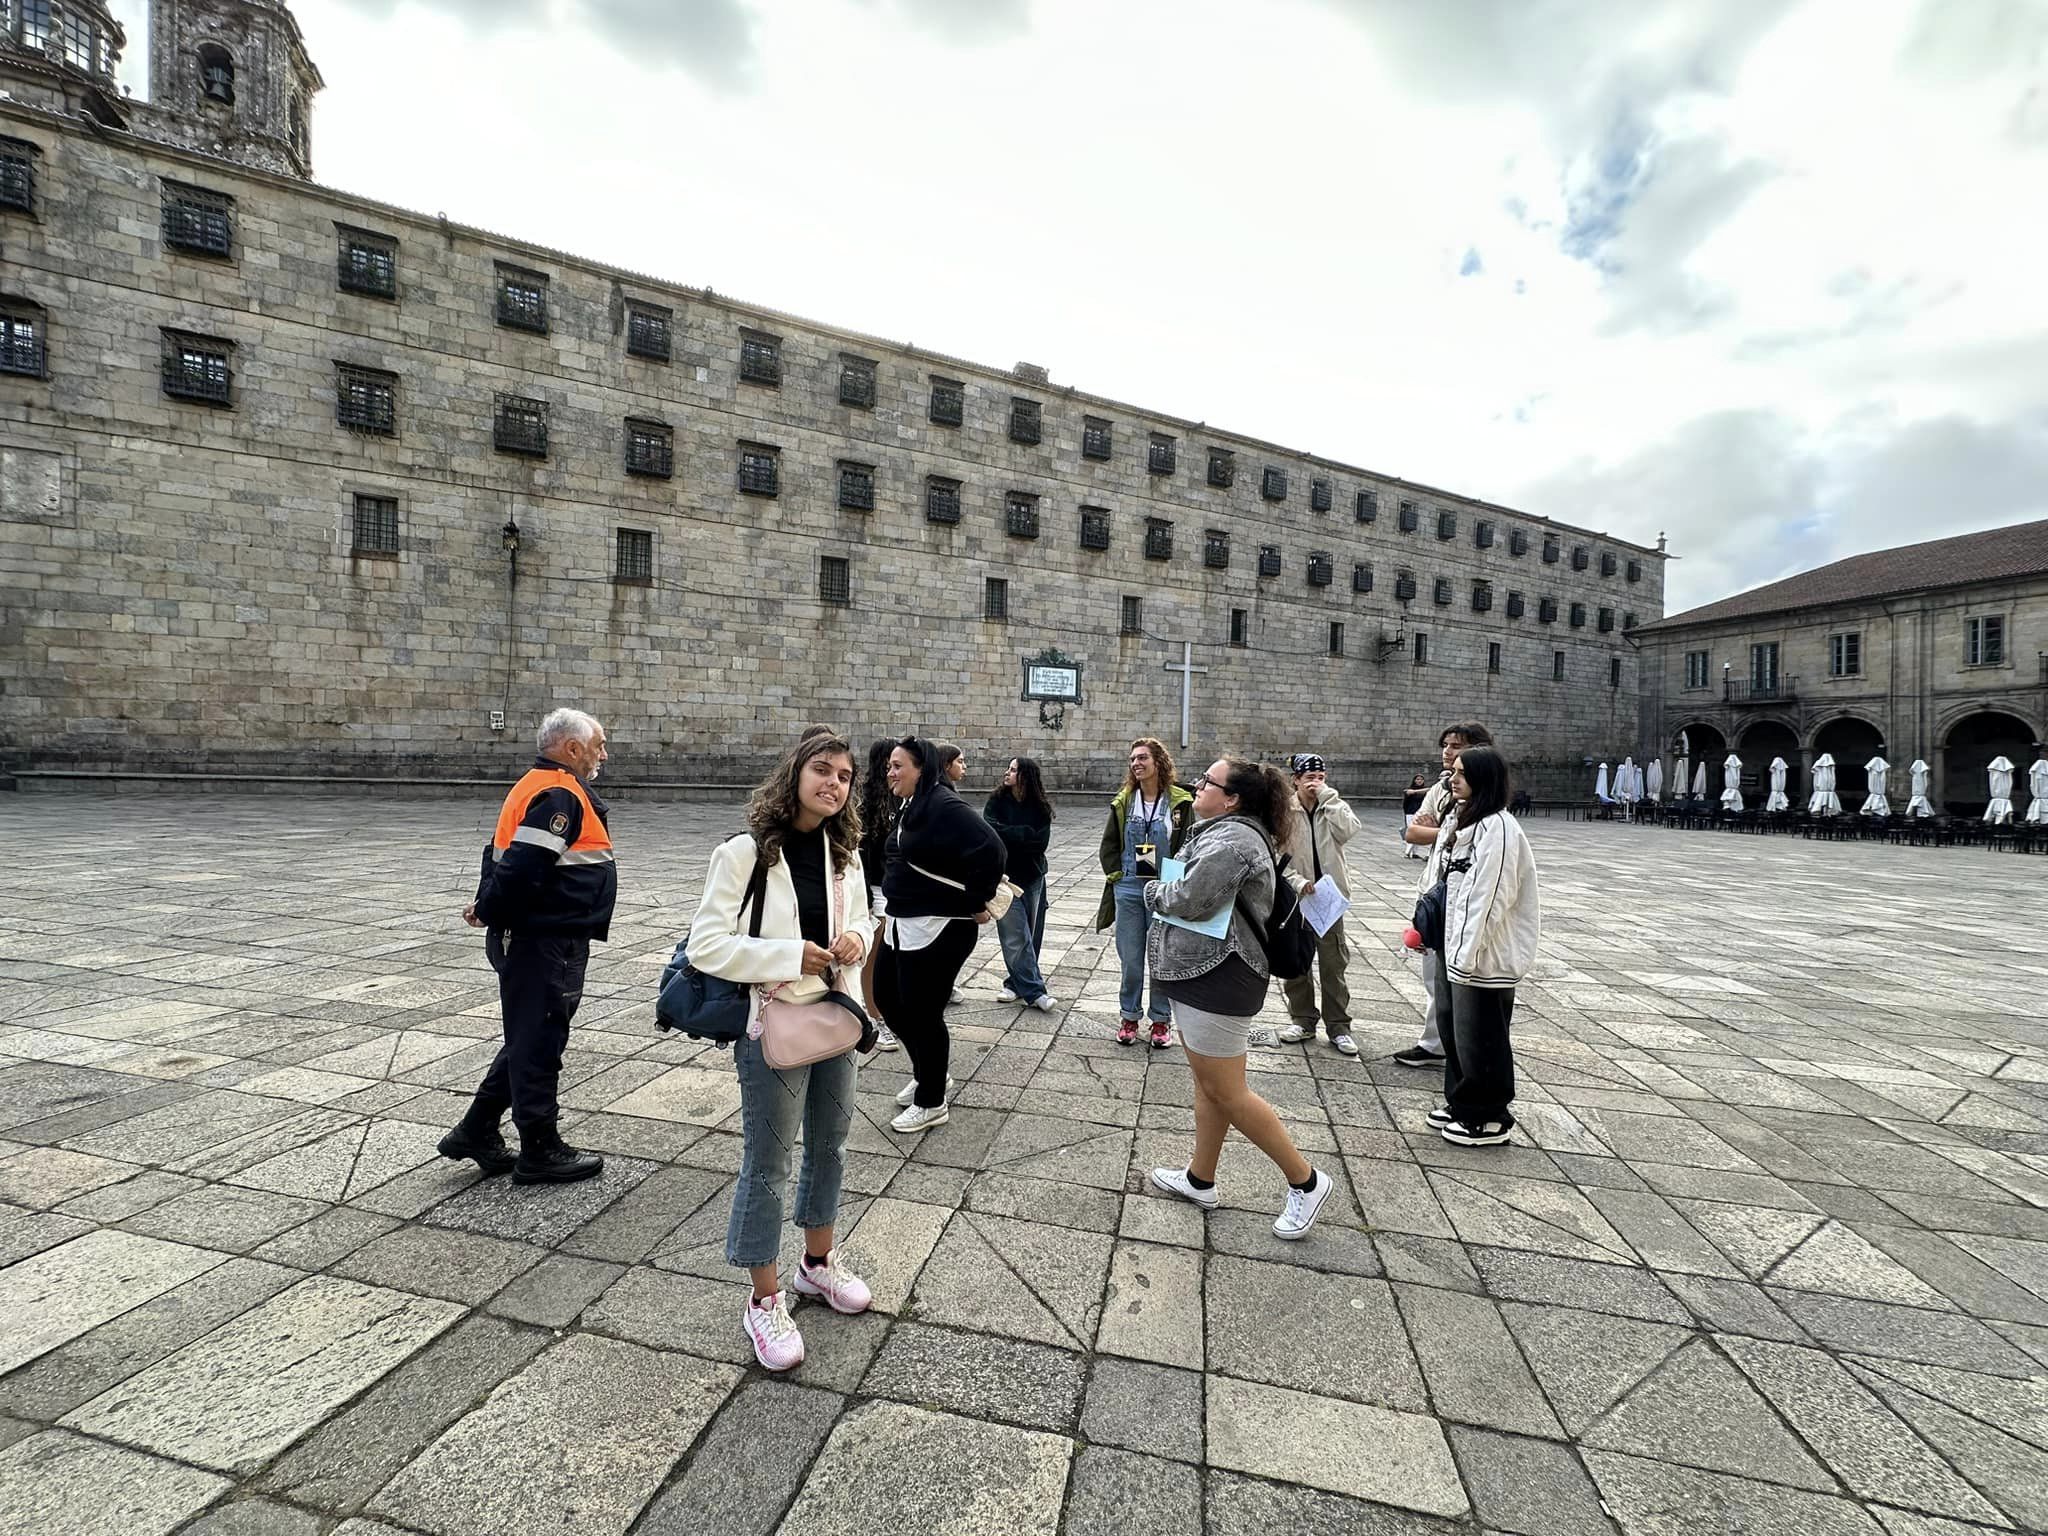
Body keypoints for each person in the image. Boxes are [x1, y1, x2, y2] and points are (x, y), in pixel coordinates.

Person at [689, 730, 875, 1371]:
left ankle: (817, 1264)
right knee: (768, 1162)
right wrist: (790, 955)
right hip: (772, 1021)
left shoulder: (845, 854)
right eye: (822, 770)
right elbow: (706, 945)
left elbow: (865, 916)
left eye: (845, 776)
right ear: (794, 773)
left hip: (835, 1018)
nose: (834, 784)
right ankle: (763, 1301)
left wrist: (856, 938)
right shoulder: (745, 853)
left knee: (831, 1145)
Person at [1145, 756, 1335, 1238]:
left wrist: (1153, 892)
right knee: (1210, 1086)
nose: (1197, 785)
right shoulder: (1224, 831)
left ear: (1231, 799)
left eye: (1207, 781)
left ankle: (1306, 1181)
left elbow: (1188, 897)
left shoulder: (1234, 841)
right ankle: (1200, 1179)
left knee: (1229, 1092)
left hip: (1219, 976)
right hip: (1204, 970)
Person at [440, 708, 613, 1185]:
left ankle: (476, 1129)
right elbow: (522, 866)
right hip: (542, 937)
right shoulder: (558, 793)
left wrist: (486, 904)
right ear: (572, 748)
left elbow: (498, 854)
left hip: (543, 934)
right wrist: (490, 907)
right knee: (539, 1042)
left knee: (530, 1036)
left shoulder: (539, 785)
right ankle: (540, 1147)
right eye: (598, 745)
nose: (603, 754)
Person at [876, 736, 1006, 1132]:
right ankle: (930, 1073)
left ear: (921, 769)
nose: (890, 773)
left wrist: (976, 899)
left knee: (923, 1012)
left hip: (939, 927)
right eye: (889, 766)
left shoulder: (943, 804)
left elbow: (992, 849)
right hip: (903, 920)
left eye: (898, 766)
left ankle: (931, 1101)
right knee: (887, 998)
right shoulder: (911, 804)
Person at [1419, 744, 1540, 1146]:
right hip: (1453, 944)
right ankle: (1461, 1101)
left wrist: (1467, 955)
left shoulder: (1499, 828)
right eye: (1453, 772)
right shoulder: (1464, 820)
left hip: (1482, 955)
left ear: (1483, 779)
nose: (1452, 779)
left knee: (1481, 1035)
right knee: (1454, 1029)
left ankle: (1488, 1116)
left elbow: (1491, 896)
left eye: (1461, 773)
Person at [1393, 722, 1494, 1070]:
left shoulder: (1486, 797)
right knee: (1432, 975)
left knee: (1460, 980)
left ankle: (1456, 1048)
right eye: (1446, 745)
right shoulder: (1440, 788)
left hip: (1462, 898)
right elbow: (1412, 832)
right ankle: (1436, 1043)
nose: (1447, 752)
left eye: (1456, 746)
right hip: (1433, 892)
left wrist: (1441, 830)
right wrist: (1448, 830)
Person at [1095, 737, 1193, 1047]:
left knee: (1162, 957)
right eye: (1133, 759)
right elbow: (1110, 843)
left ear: (1158, 762)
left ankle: (1161, 1021)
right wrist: (1115, 875)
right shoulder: (1125, 800)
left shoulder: (1180, 802)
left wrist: (1179, 885)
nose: (1136, 763)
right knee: (1131, 958)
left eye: (1142, 758)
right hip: (1128, 887)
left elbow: (1188, 846)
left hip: (1163, 889)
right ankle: (1129, 1017)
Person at [1277, 753, 1361, 1054]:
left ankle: (1338, 1026)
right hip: (1299, 897)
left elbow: (1349, 830)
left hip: (1330, 896)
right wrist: (1297, 882)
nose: (1315, 782)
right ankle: (1302, 1019)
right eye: (1309, 777)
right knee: (1297, 961)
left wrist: (1327, 796)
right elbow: (1277, 855)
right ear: (1296, 780)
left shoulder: (1332, 805)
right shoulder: (1285, 812)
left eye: (1321, 777)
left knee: (1333, 964)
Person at [986, 756, 1056, 1011]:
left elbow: (1040, 843)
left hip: (1033, 878)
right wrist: (1024, 833)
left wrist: (1009, 833)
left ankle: (1015, 983)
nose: (1007, 773)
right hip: (1004, 880)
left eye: (1013, 770)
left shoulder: (1040, 807)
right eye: (1008, 768)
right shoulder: (996, 801)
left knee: (1031, 935)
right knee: (1014, 935)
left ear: (1025, 776)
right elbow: (990, 831)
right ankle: (1036, 992)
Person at [856, 738, 900, 1051]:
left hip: (897, 888)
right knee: (874, 958)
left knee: (892, 958)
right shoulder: (868, 801)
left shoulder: (901, 799)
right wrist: (868, 897)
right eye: (893, 763)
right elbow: (863, 852)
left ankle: (884, 1011)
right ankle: (873, 1018)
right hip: (876, 888)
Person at [1401, 773, 1431, 859]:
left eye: (1421, 779)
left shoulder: (1425, 791)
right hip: (1411, 813)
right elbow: (1406, 799)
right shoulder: (1409, 790)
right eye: (1417, 779)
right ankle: (1407, 852)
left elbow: (1429, 789)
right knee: (1412, 832)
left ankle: (1414, 852)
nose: (1419, 781)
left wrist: (1415, 792)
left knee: (1418, 832)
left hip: (1420, 813)